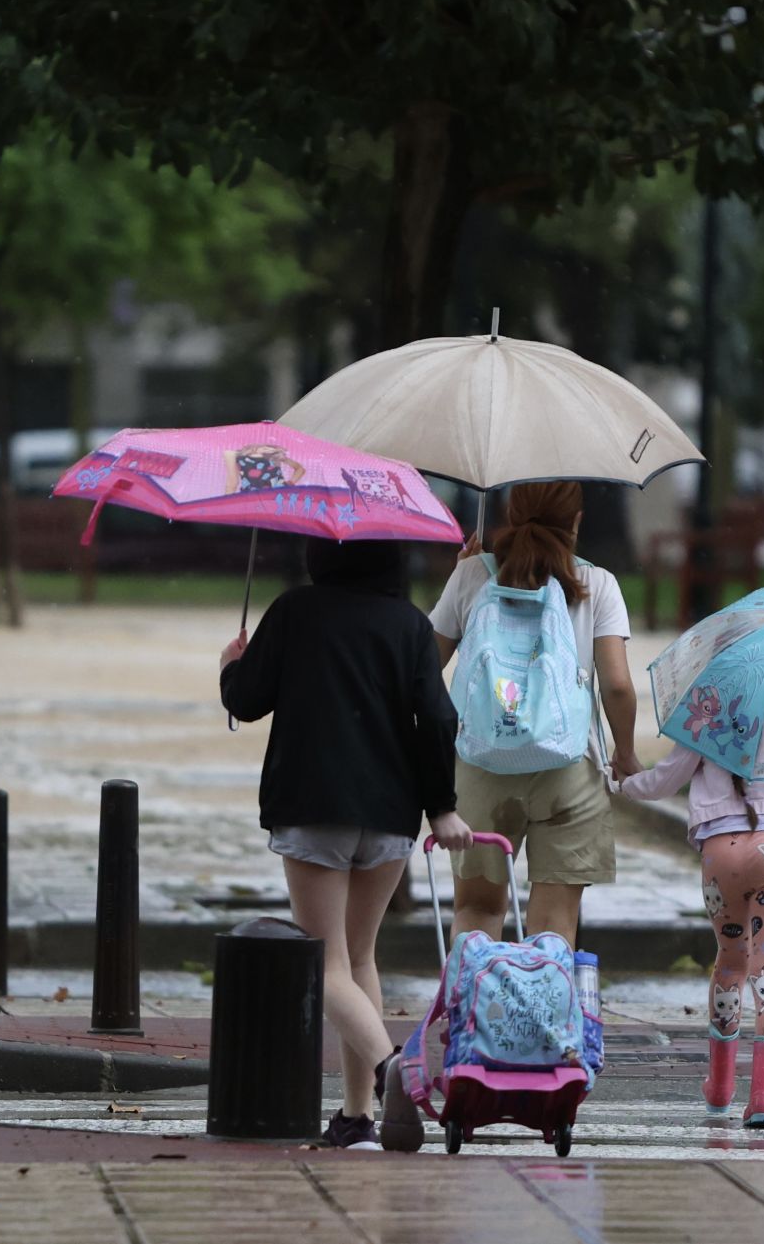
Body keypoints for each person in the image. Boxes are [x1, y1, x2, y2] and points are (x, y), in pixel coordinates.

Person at [220, 538, 472, 1150]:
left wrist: (231, 665)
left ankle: (393, 1068)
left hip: (314, 803)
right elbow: (439, 719)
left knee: (323, 961)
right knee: (360, 959)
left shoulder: (295, 611)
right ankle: (358, 1118)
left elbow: (246, 701)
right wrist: (441, 806)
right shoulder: (410, 625)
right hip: (390, 812)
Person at [430, 481, 640, 946]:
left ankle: (473, 993)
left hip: (481, 763)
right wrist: (624, 752)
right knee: (554, 923)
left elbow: (424, 666)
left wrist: (465, 575)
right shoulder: (598, 584)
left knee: (476, 909)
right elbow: (617, 685)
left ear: (511, 513)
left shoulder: (472, 574)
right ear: (576, 521)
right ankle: (543, 996)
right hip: (571, 766)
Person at [618, 703, 764, 1129]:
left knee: (731, 962)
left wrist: (625, 783)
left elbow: (664, 780)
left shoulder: (703, 717)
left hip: (722, 855)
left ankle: (720, 1087)